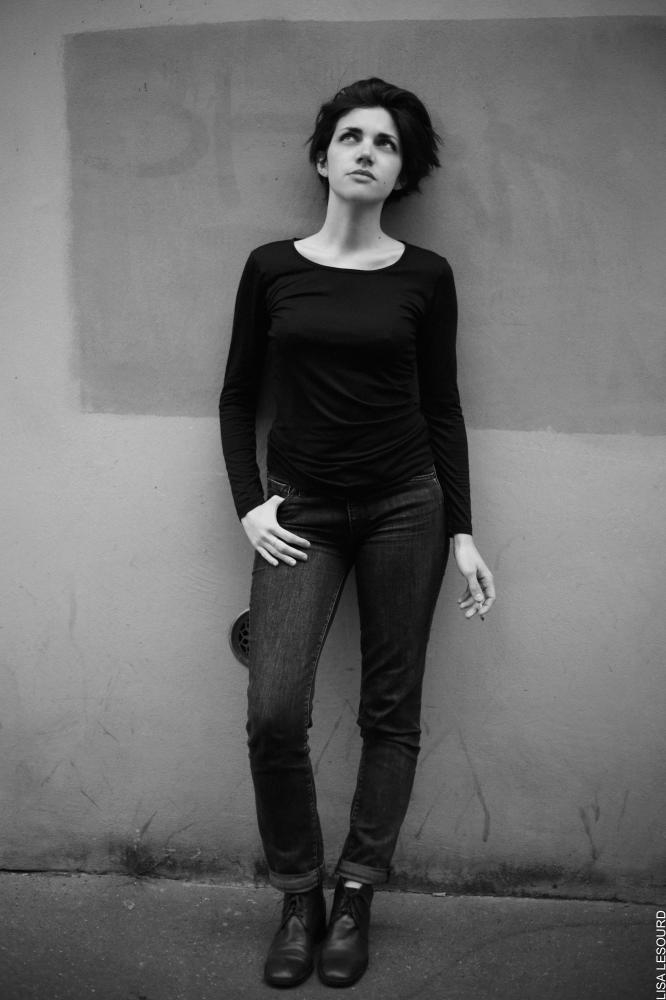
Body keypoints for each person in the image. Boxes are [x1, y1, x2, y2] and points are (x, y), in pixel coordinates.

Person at [219, 77, 496, 990]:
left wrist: (462, 531)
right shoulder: (272, 268)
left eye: (386, 143)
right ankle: (298, 897)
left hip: (406, 508)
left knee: (391, 711)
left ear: (402, 172)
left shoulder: (426, 276)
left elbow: (443, 406)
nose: (367, 152)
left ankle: (355, 896)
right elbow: (237, 397)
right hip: (301, 511)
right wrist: (249, 503)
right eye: (351, 137)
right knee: (273, 712)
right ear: (322, 155)